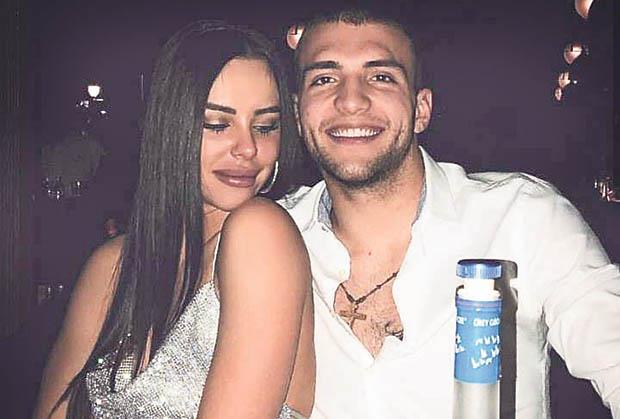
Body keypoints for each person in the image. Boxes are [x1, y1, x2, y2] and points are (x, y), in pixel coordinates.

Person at [279, 9, 620, 418]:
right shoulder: (266, 242)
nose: (351, 100)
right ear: (298, 113)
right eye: (324, 79)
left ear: (421, 109)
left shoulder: (523, 216)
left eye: (381, 76)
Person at [34, 21, 315, 419]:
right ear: (171, 128)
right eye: (217, 124)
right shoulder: (112, 265)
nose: (248, 147)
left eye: (265, 126)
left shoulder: (261, 232)